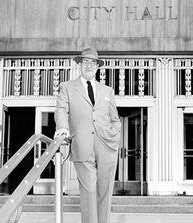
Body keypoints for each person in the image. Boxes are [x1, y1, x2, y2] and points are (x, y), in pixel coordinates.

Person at [54, 47, 121, 223]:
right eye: (85, 61)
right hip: (82, 144)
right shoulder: (67, 87)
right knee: (89, 190)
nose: (89, 65)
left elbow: (114, 118)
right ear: (80, 64)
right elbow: (61, 110)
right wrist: (62, 127)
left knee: (104, 189)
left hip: (107, 145)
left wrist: (116, 135)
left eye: (92, 62)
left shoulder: (107, 91)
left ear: (97, 67)